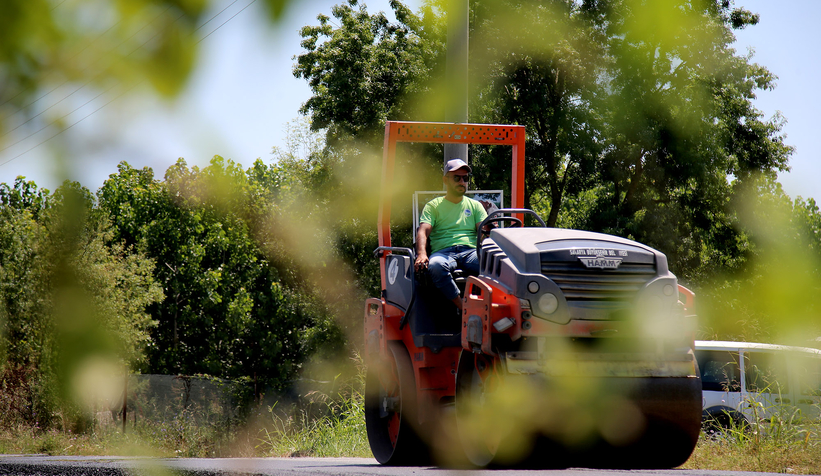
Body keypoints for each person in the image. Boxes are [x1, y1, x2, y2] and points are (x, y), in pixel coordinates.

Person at [414, 159, 488, 311]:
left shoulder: (475, 206)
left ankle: (492, 307)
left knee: (495, 265)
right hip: (443, 252)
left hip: (470, 252)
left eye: (465, 178)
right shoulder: (434, 206)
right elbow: (423, 231)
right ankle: (463, 307)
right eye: (457, 178)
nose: (462, 182)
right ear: (445, 180)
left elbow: (484, 231)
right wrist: (421, 254)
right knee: (435, 266)